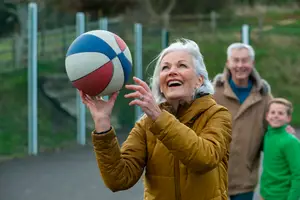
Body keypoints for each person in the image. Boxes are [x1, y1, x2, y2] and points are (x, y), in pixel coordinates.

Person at [80, 39, 232, 200]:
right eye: (165, 67)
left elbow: (204, 159)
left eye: (182, 65)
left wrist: (159, 117)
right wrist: (102, 122)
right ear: (160, 84)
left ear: (199, 80)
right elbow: (119, 179)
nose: (172, 71)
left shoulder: (217, 115)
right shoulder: (147, 124)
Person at [213, 43, 273, 200]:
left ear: (252, 63)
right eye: (235, 60)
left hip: (244, 182)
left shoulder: (264, 96)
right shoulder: (213, 93)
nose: (240, 65)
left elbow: (273, 131)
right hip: (212, 180)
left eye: (245, 61)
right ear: (228, 63)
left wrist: (283, 130)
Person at [260, 98, 300, 200]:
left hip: (282, 196)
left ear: (288, 118)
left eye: (281, 113)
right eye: (272, 112)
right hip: (264, 194)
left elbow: (298, 175)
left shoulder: (291, 141)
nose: (276, 115)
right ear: (267, 116)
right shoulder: (268, 135)